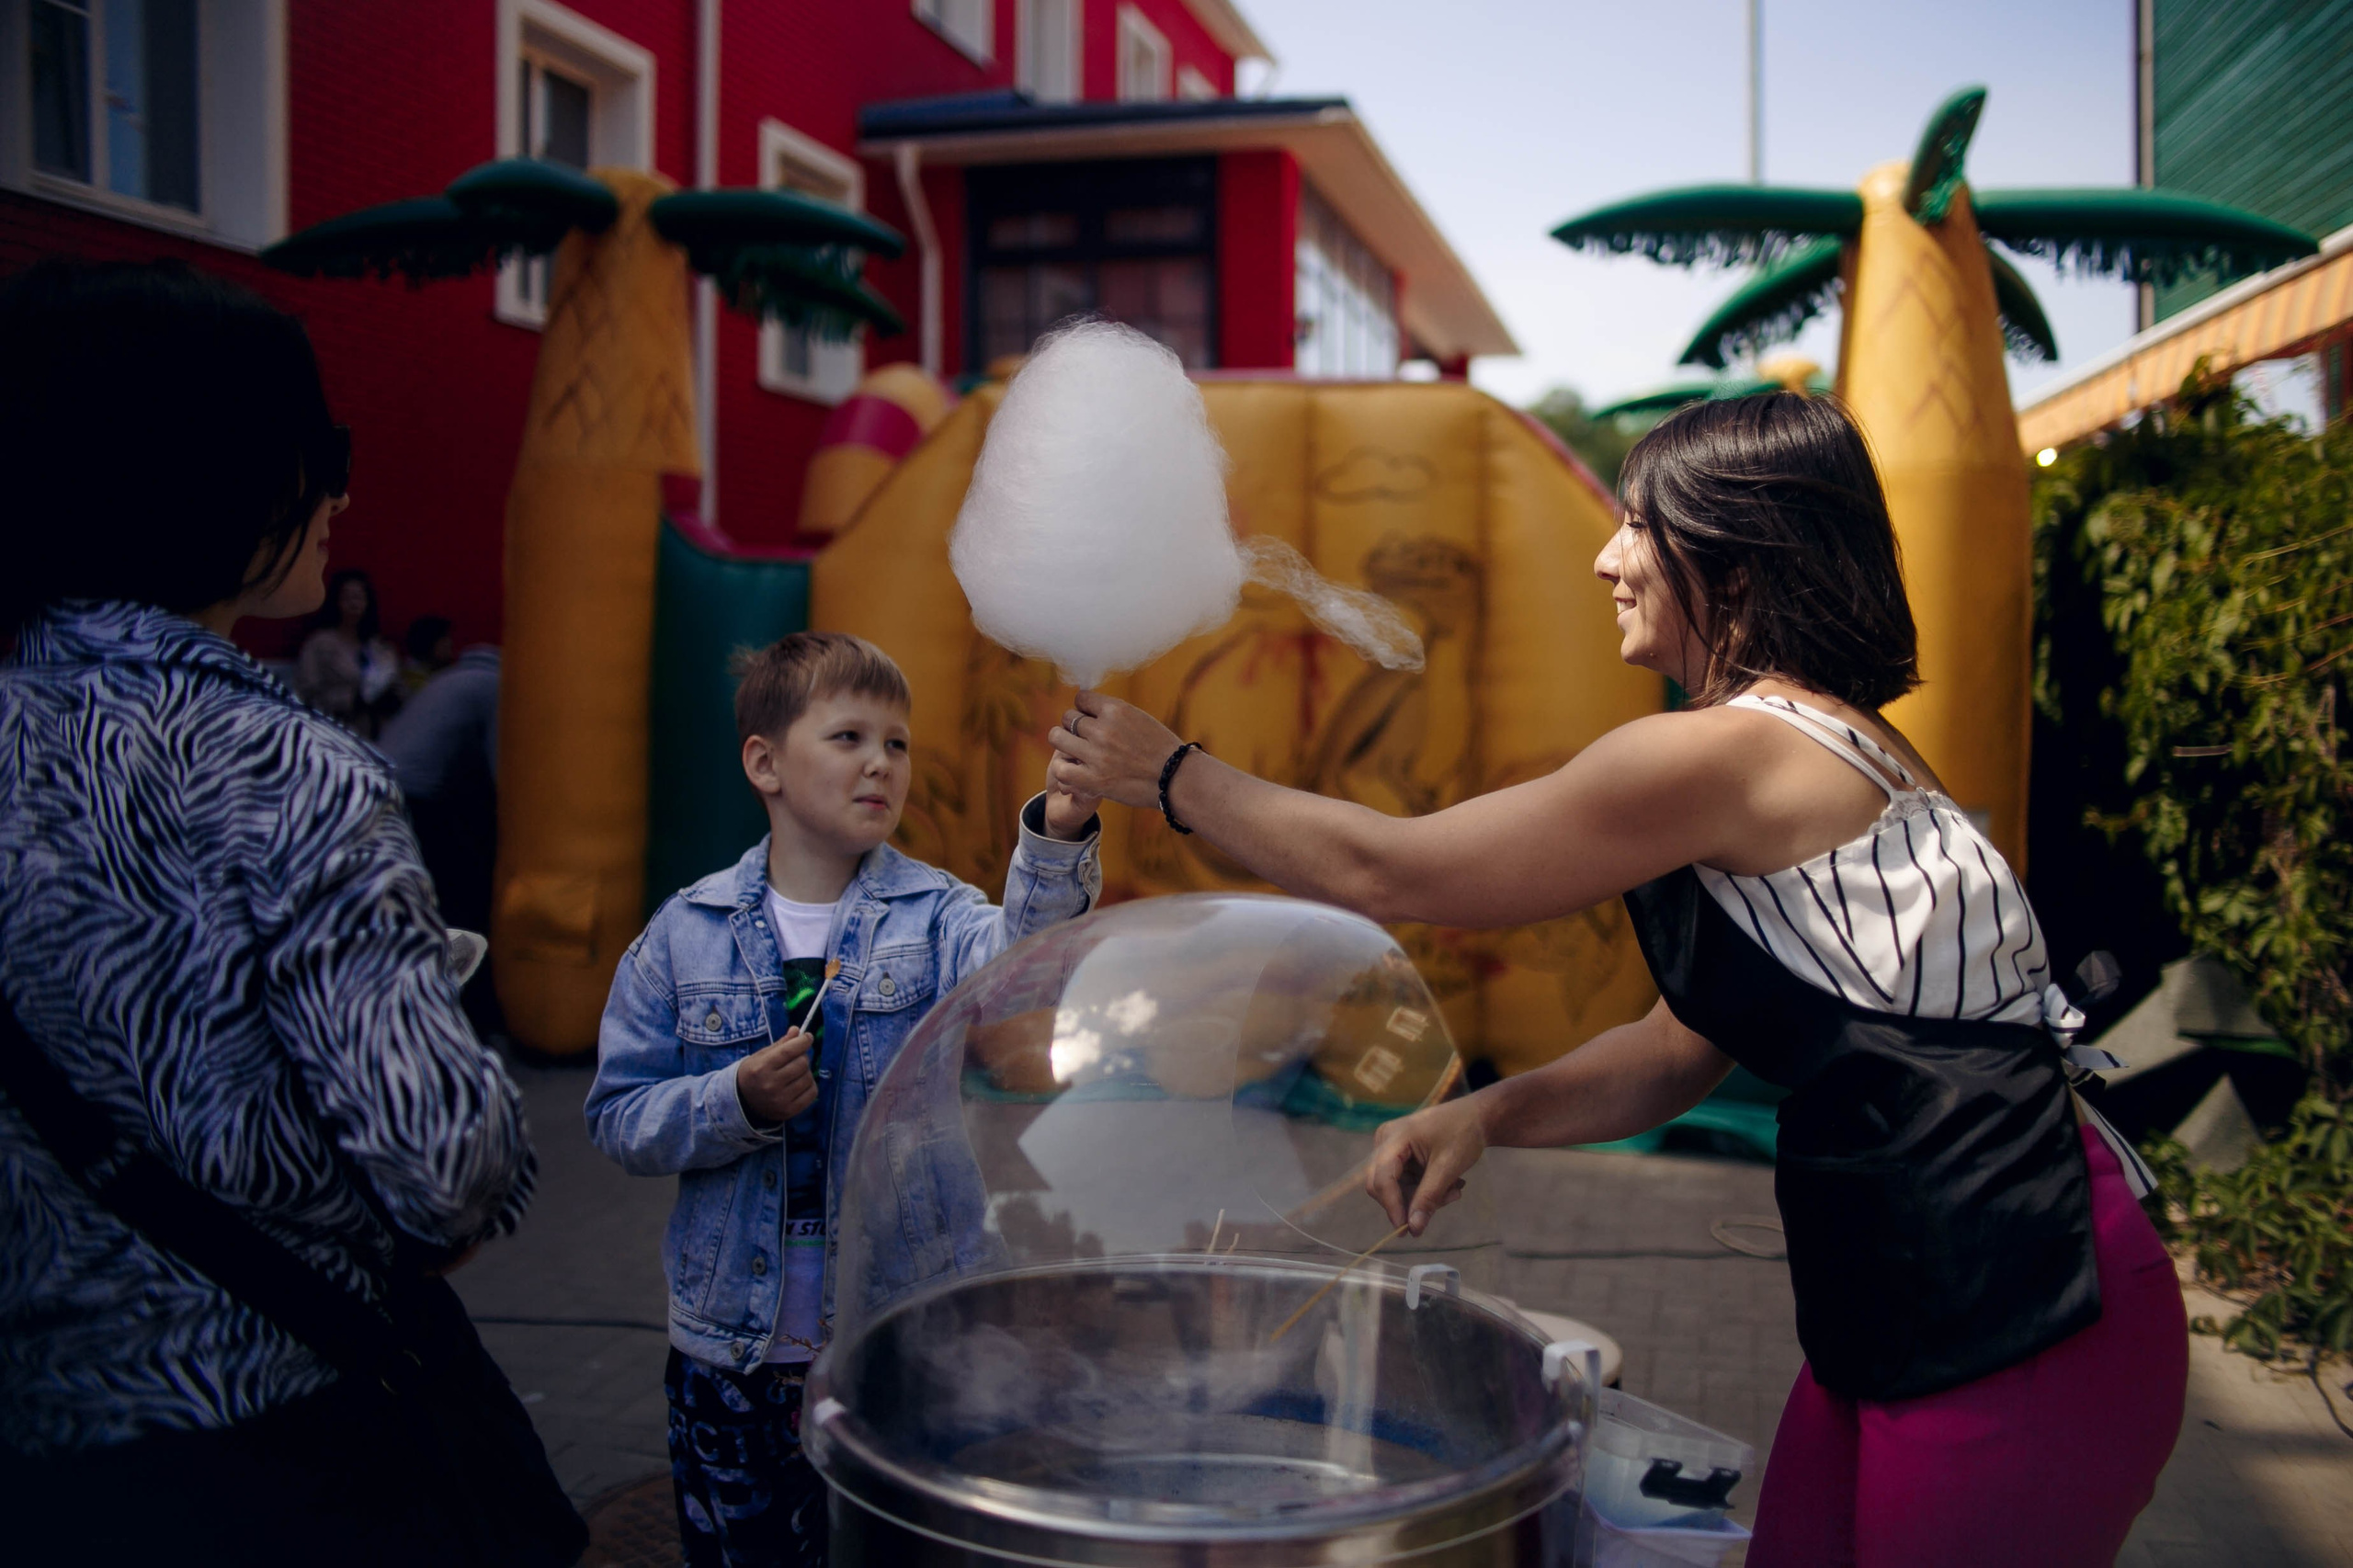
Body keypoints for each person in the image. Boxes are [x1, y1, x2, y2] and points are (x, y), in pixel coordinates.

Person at [1046, 392, 2188, 1568]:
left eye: (1640, 524)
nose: (1606, 557)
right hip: (1919, 1299)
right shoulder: (1808, 744)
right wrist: (1485, 1112)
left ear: (1736, 563)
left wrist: (1169, 769)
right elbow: (1672, 1048)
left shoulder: (1736, 751)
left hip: (2027, 1306)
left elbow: (1390, 866)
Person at [0, 259, 581, 1562]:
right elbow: (443, 1168)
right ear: (201, 469)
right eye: (319, 449)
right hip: (280, 1434)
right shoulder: (279, 763)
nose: (341, 492)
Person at [585, 631, 1104, 1568]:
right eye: (849, 737)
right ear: (764, 762)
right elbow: (619, 1117)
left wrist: (1057, 833)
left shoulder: (939, 914)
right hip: (729, 1354)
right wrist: (731, 1097)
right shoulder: (683, 933)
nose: (880, 762)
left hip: (896, 1342)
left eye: (898, 743)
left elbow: (1023, 971)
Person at [378, 643, 502, 936]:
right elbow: (499, 765)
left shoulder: (446, 679)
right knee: (458, 888)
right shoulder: (496, 686)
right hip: (416, 796)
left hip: (376, 784)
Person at [294, 567, 402, 736]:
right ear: (336, 601)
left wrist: (392, 697)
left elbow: (398, 688)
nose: (354, 604)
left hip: (379, 737)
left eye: (359, 597)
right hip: (335, 734)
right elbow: (306, 695)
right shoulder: (319, 644)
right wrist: (352, 699)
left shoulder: (379, 647)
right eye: (347, 598)